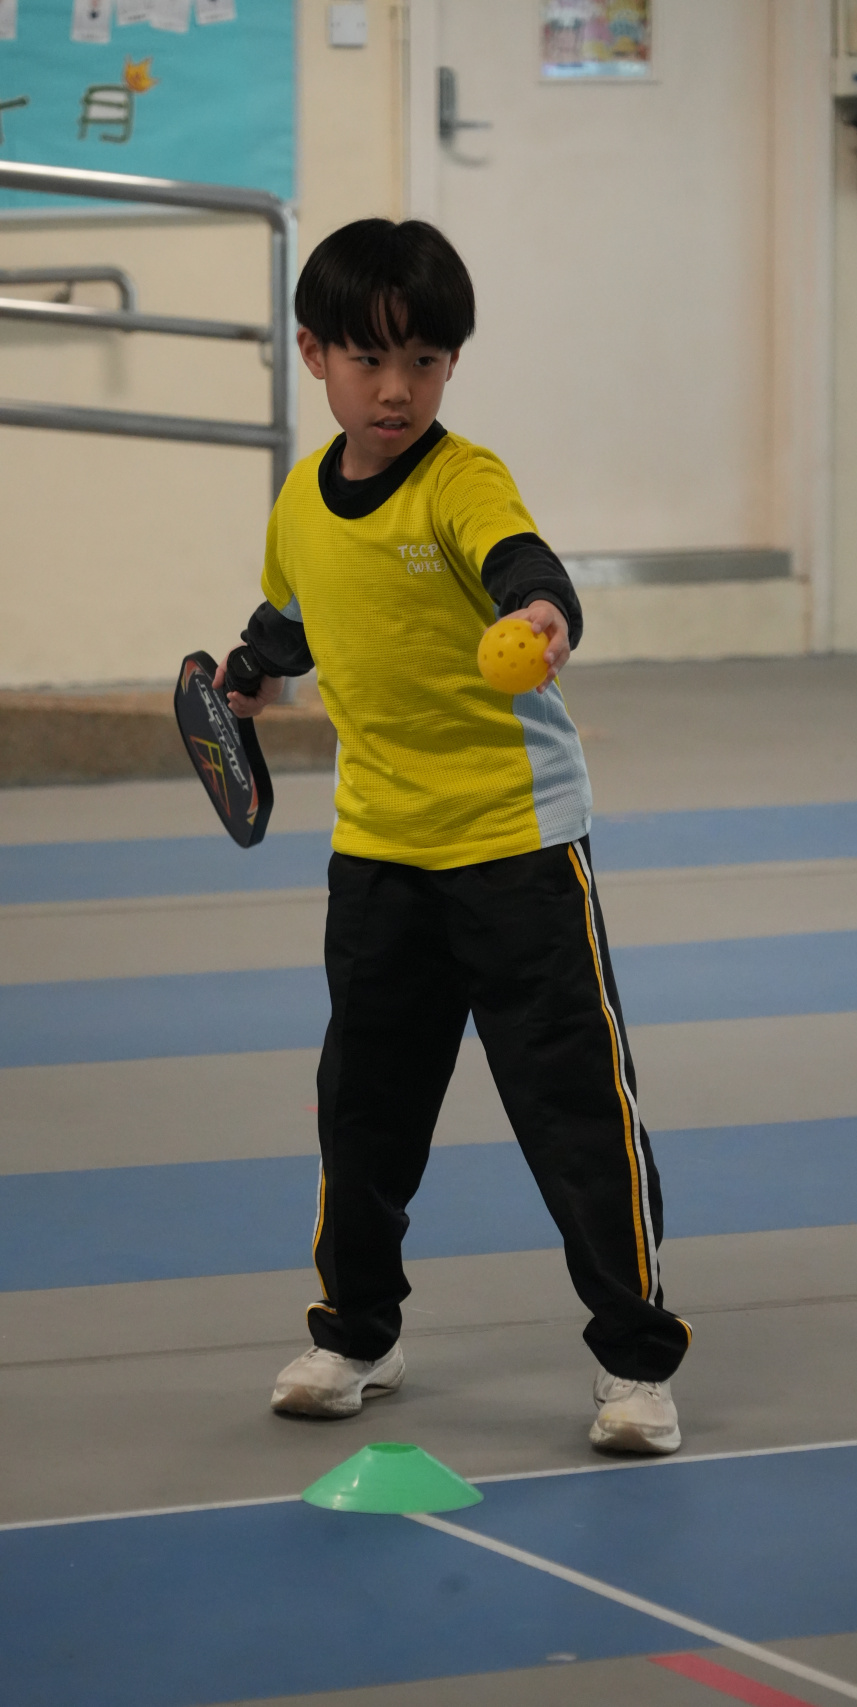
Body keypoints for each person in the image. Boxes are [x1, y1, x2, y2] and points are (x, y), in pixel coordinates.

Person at [214, 217, 691, 1454]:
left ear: (450, 366)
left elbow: (527, 566)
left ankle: (635, 1362)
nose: (397, 389)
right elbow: (292, 614)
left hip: (517, 851)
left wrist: (543, 616)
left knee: (575, 1111)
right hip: (379, 855)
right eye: (369, 359)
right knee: (361, 1110)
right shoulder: (300, 503)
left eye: (425, 362)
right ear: (313, 355)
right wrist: (249, 675)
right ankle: (355, 1335)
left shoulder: (462, 481)